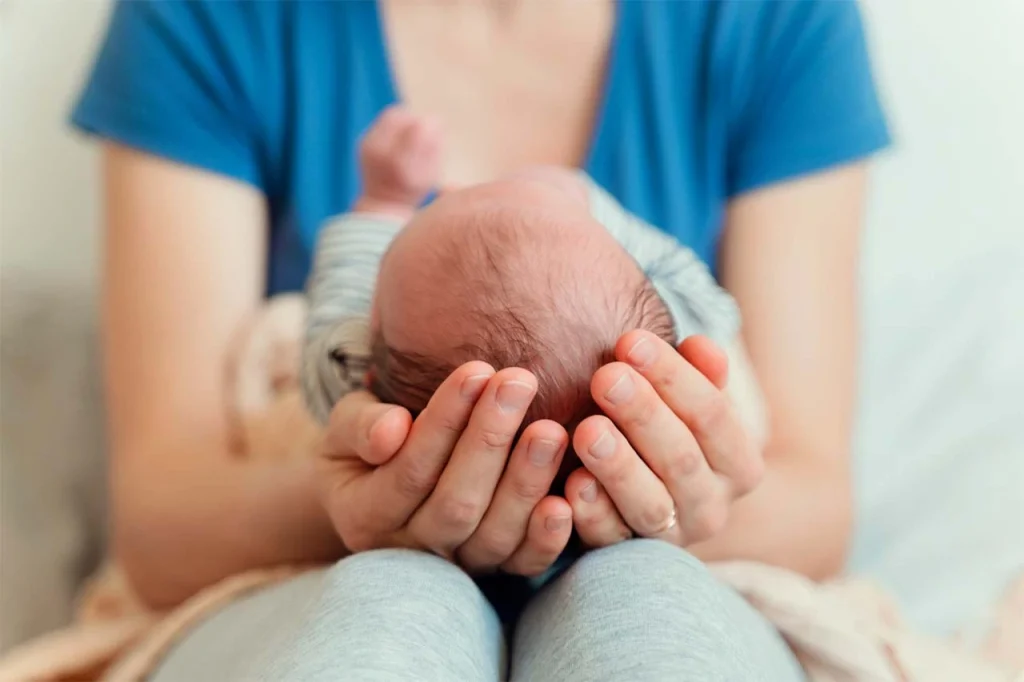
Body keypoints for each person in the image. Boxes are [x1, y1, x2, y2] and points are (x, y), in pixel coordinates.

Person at [71, 0, 889, 678]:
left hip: (675, 558)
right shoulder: (208, 17)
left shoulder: (775, 19)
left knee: (642, 606)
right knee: (394, 612)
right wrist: (370, 504)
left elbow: (813, 502)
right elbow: (160, 525)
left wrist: (656, 505)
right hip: (310, 568)